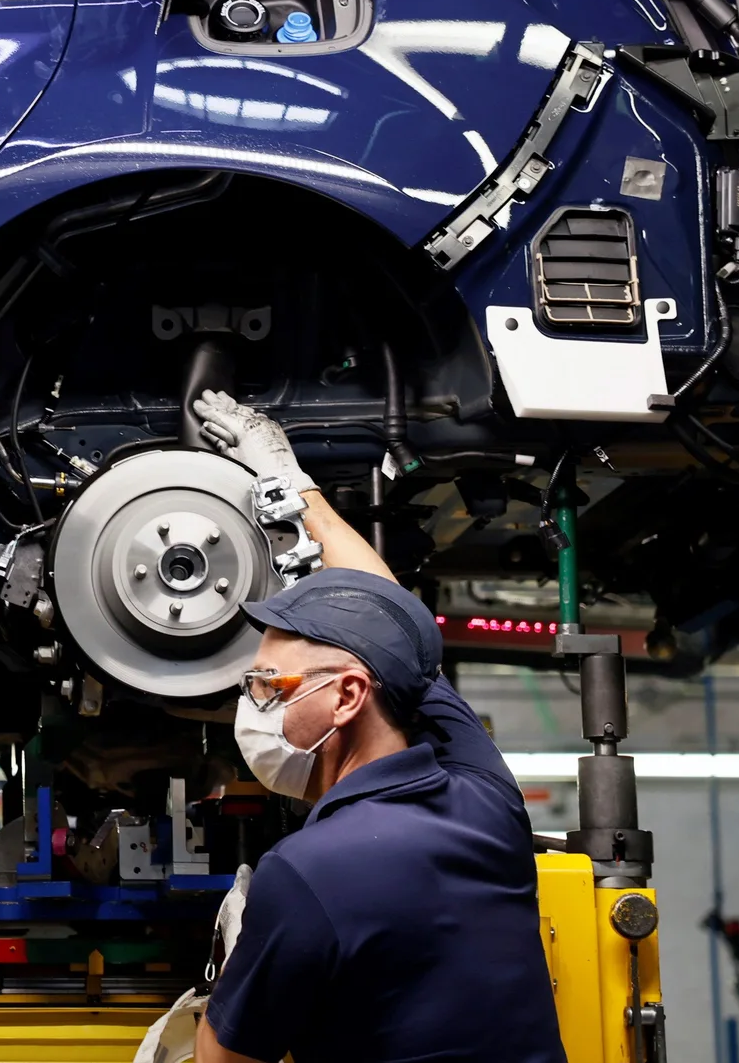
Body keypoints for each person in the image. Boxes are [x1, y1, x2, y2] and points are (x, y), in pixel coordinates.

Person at [184, 391, 566, 1063]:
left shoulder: (305, 871)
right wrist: (291, 482)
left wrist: (236, 957)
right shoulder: (484, 800)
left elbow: (222, 1060)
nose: (253, 700)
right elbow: (387, 620)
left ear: (347, 696)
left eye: (269, 683)